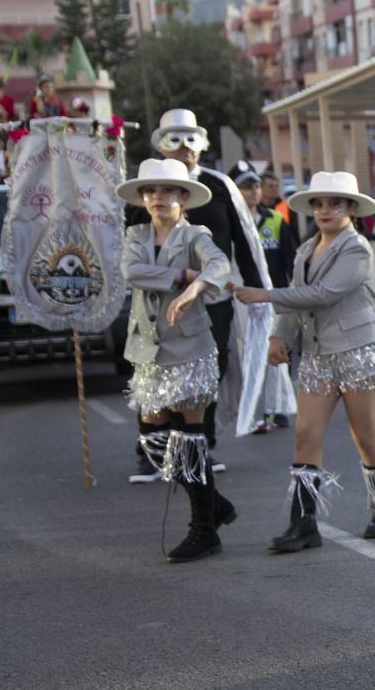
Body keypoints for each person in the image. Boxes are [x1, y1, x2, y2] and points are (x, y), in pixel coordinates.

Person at [232, 170, 375, 545]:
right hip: (317, 355)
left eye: (335, 203)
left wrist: (266, 295)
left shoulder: (357, 248)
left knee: (365, 435)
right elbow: (299, 296)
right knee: (306, 433)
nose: (325, 210)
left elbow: (324, 293)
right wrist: (279, 336)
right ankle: (304, 523)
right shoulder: (305, 250)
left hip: (359, 351)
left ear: (352, 209)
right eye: (319, 204)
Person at [127, 110, 267, 482]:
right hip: (156, 304)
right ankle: (152, 451)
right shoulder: (144, 198)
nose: (185, 147)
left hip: (212, 300)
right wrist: (180, 276)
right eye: (175, 139)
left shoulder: (219, 188)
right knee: (152, 371)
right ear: (160, 145)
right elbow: (130, 260)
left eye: (191, 138)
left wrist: (253, 289)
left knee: (206, 371)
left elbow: (239, 243)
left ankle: (198, 446)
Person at [117, 158, 235, 563]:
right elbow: (131, 271)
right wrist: (183, 276)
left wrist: (196, 287)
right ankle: (215, 503)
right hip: (147, 350)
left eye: (168, 190)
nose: (158, 197)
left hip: (189, 348)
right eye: (151, 191)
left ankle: (204, 529)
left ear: (183, 197)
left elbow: (219, 264)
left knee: (189, 439)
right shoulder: (135, 234)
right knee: (152, 439)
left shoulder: (195, 234)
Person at [231, 161, 298, 433]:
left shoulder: (274, 219)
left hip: (273, 297)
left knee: (274, 351)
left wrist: (292, 292)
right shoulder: (231, 222)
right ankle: (254, 412)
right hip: (242, 299)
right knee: (247, 354)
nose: (254, 191)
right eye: (246, 187)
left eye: (256, 186)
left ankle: (276, 408)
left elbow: (290, 258)